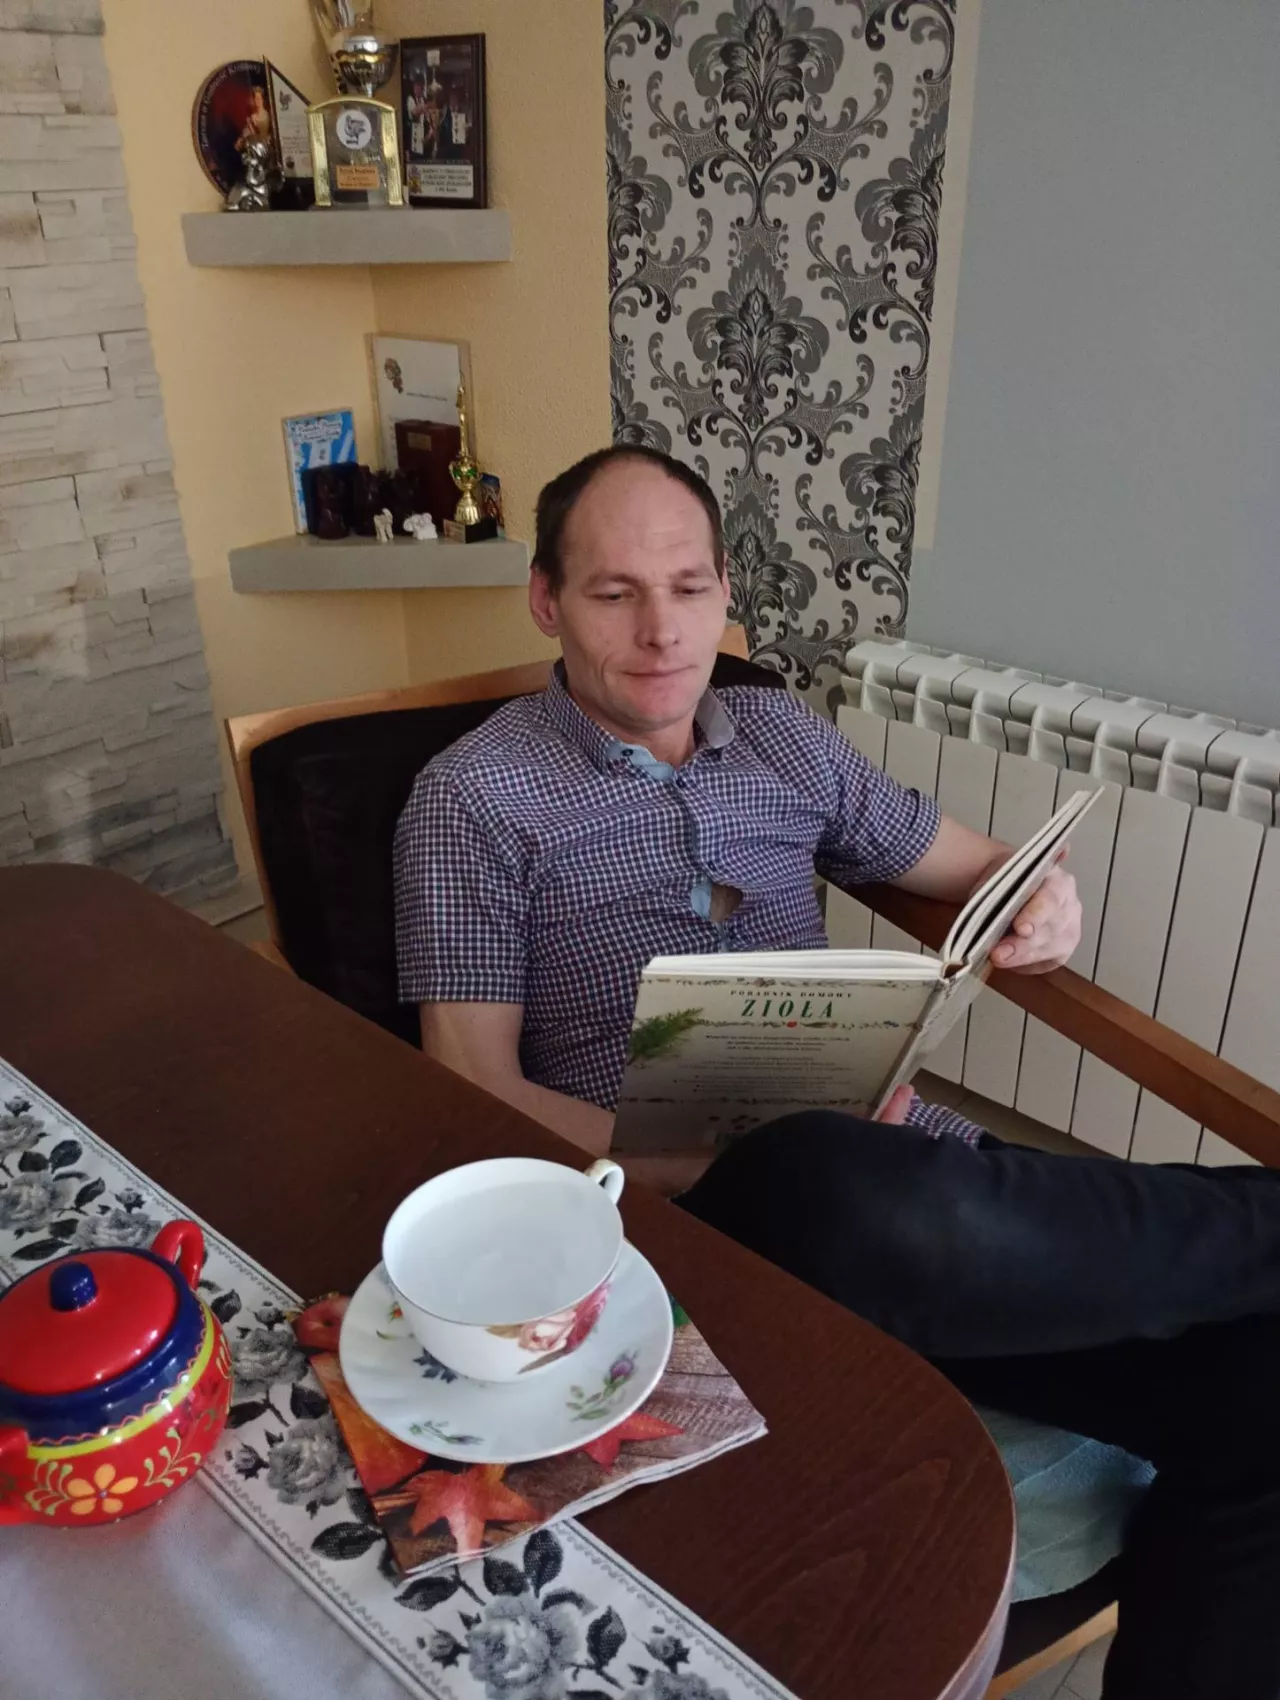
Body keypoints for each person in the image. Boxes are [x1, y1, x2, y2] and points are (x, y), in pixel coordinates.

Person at [394, 445, 1280, 1700]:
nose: (660, 631)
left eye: (687, 587)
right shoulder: (470, 798)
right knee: (815, 1165)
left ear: (723, 591)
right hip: (692, 1221)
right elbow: (465, 1085)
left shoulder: (776, 736)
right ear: (546, 599)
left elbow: (982, 864)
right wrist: (682, 1155)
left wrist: (1042, 900)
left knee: (1262, 1387)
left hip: (907, 1205)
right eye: (613, 592)